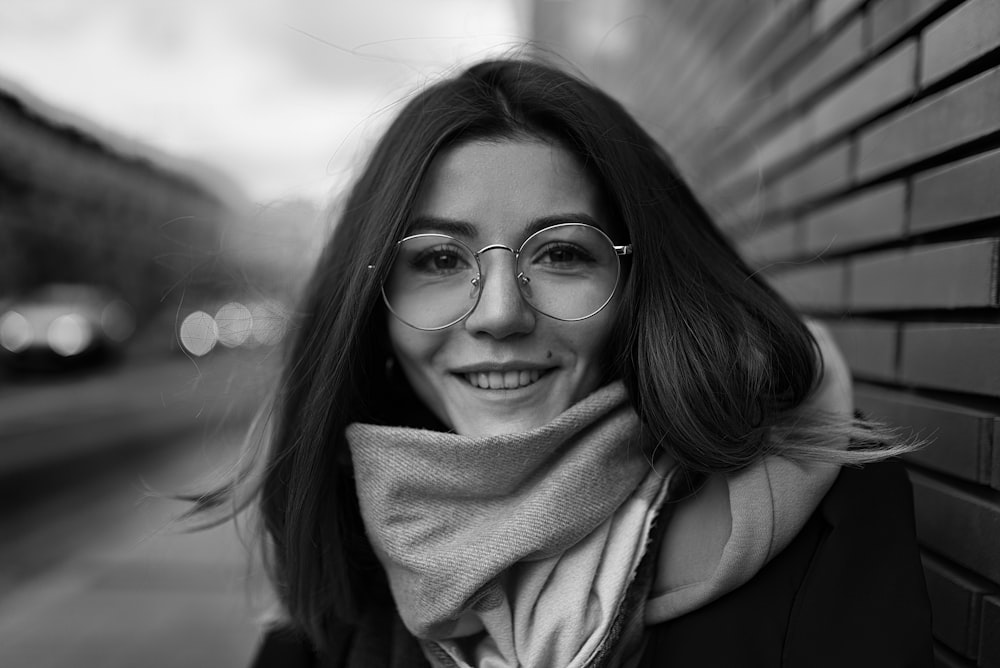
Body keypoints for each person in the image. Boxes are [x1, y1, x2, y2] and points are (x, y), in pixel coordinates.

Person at [189, 56, 933, 667]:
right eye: (441, 259)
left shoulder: (829, 508)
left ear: (641, 284)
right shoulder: (348, 552)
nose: (500, 314)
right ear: (371, 301)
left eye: (563, 253)